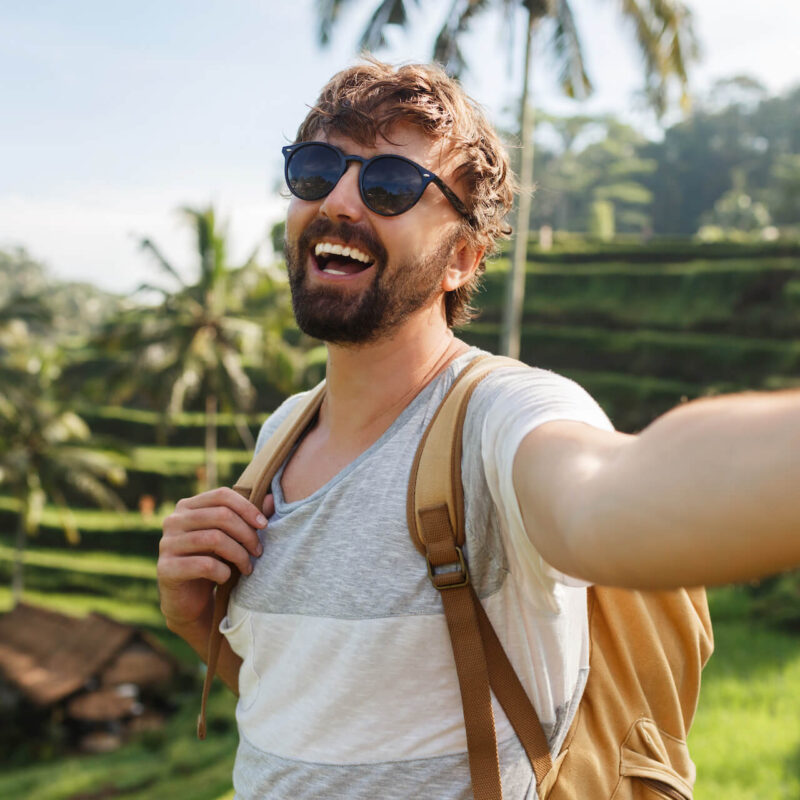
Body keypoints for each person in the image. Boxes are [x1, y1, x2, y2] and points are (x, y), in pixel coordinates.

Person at [157, 60, 800, 799]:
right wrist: (193, 618)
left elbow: (609, 494)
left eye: (389, 185)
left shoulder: (499, 420)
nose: (337, 200)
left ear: (462, 258)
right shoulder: (281, 435)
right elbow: (306, 708)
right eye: (316, 169)